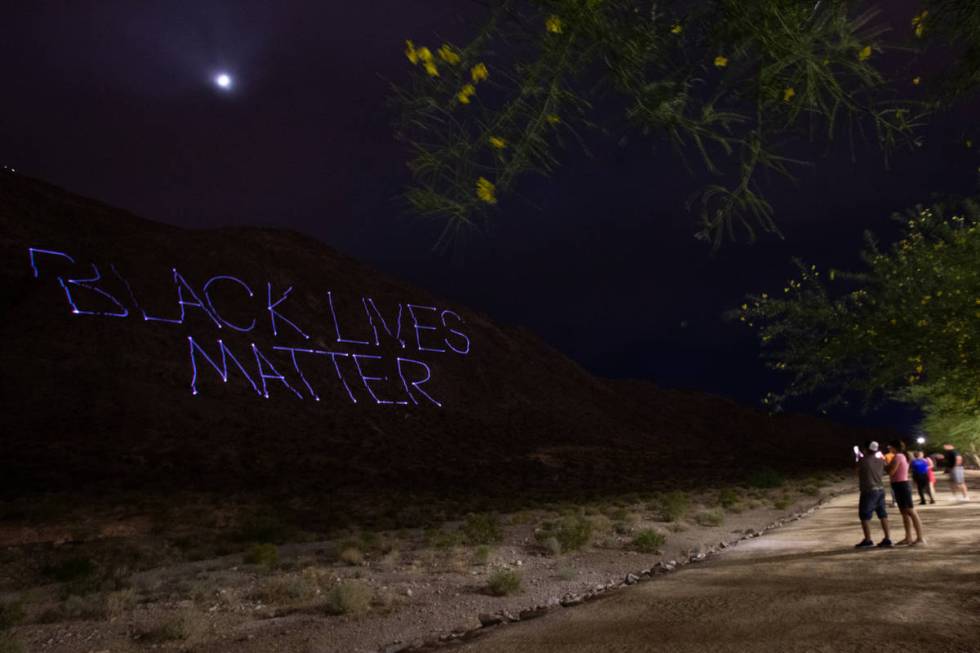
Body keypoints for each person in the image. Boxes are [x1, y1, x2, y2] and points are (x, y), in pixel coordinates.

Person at [885, 443, 926, 545]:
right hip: (899, 485)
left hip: (901, 485)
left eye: (890, 446)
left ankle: (920, 538)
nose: (889, 448)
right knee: (904, 512)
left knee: (910, 511)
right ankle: (908, 537)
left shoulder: (898, 456)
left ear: (894, 447)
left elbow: (891, 472)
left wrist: (885, 464)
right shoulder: (901, 456)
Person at [855, 441, 892, 548]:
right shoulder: (881, 460)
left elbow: (856, 470)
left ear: (866, 449)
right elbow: (887, 467)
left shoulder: (863, 460)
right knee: (882, 514)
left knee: (864, 516)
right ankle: (887, 538)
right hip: (880, 489)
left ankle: (868, 539)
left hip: (868, 490)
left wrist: (858, 457)